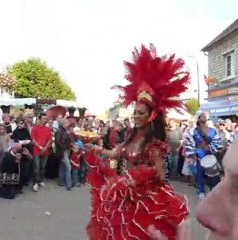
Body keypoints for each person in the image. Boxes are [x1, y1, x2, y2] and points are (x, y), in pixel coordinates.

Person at [85, 45, 189, 240]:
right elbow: (115, 154)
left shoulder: (154, 144)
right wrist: (96, 149)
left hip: (148, 199)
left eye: (141, 113)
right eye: (135, 113)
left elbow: (161, 175)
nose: (136, 116)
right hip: (126, 194)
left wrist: (139, 178)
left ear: (151, 116)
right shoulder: (131, 137)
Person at [195, 101, 238, 239]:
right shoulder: (195, 132)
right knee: (201, 176)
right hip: (199, 157)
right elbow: (190, 144)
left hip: (209, 155)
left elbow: (215, 143)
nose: (202, 212)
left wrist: (211, 148)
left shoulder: (212, 131)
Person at [31, 113, 52, 192]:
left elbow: (50, 139)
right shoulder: (35, 128)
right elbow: (33, 139)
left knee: (42, 167)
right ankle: (35, 182)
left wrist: (45, 147)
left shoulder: (48, 129)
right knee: (36, 167)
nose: (44, 120)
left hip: (45, 150)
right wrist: (40, 147)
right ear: (39, 119)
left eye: (45, 118)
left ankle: (40, 180)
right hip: (37, 150)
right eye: (43, 118)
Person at [55, 118, 72, 191]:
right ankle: (69, 184)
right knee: (68, 167)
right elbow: (57, 141)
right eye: (67, 122)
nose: (69, 124)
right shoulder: (60, 131)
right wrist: (65, 147)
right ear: (64, 123)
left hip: (63, 151)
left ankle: (61, 181)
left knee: (62, 166)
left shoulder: (64, 131)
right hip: (63, 151)